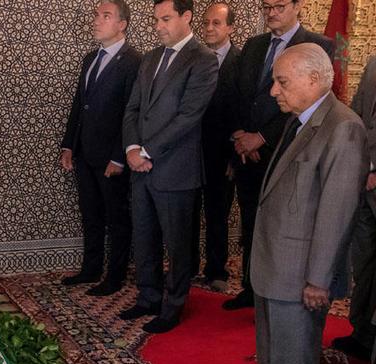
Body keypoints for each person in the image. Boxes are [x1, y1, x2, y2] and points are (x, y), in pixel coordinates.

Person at [244, 43, 367, 364]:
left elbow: (336, 213)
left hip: (299, 275)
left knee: (294, 361)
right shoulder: (297, 122)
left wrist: (319, 281)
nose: (274, 90)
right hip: (272, 265)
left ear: (314, 79)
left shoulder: (343, 128)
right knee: (271, 356)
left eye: (282, 81)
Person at [223, 0, 334, 311]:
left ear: (298, 6)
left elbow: (311, 106)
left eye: (279, 6)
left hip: (286, 155)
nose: (271, 12)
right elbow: (237, 95)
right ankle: (250, 286)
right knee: (250, 223)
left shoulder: (317, 45)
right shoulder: (254, 45)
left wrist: (262, 138)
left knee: (280, 226)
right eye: (266, 6)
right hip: (247, 155)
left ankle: (274, 293)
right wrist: (241, 137)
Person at [119, 0, 218, 333]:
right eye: (156, 19)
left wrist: (147, 151)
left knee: (177, 244)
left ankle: (172, 307)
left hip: (176, 170)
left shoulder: (203, 59)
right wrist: (132, 148)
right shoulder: (149, 58)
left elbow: (189, 116)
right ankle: (148, 297)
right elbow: (133, 109)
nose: (158, 26)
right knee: (144, 237)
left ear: (186, 16)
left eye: (165, 19)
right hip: (140, 167)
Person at [59, 0, 142, 296]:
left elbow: (132, 113)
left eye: (105, 16)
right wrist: (69, 145)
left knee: (116, 217)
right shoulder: (90, 58)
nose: (97, 20)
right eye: (97, 15)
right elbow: (80, 106)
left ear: (122, 24)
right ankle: (90, 268)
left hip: (112, 157)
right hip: (85, 153)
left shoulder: (134, 61)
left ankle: (115, 276)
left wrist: (120, 157)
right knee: (90, 214)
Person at [193, 2, 241, 292]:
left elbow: (243, 110)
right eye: (206, 23)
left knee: (217, 215)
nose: (209, 28)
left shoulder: (241, 61)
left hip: (222, 156)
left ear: (230, 28)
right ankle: (186, 266)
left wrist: (234, 158)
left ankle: (215, 270)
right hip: (189, 153)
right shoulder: (194, 59)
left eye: (217, 23)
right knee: (187, 214)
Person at [331, 55, 376, 361]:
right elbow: (358, 114)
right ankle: (362, 334)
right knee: (365, 265)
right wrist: (359, 164)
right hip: (364, 186)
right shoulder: (373, 63)